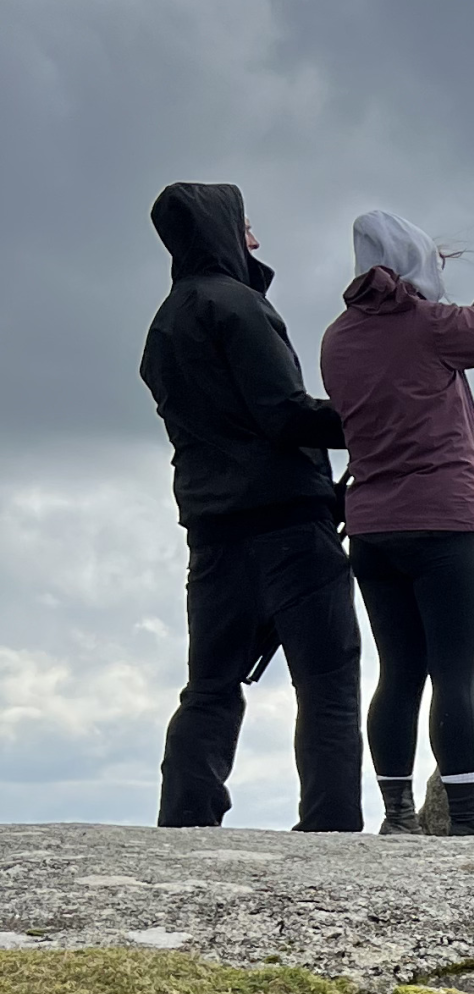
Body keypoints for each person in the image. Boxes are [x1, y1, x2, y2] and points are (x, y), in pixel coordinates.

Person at [140, 183, 363, 831]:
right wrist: (376, 417)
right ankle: (331, 827)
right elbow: (284, 414)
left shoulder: (165, 322)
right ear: (221, 231)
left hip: (211, 531)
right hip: (290, 526)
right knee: (326, 680)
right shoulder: (238, 307)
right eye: (245, 227)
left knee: (211, 683)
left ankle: (186, 817)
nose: (256, 239)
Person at [319, 212, 474, 836]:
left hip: (372, 529)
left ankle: (397, 816)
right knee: (454, 673)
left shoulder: (336, 338)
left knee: (399, 671)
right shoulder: (433, 325)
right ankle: (468, 819)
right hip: (445, 520)